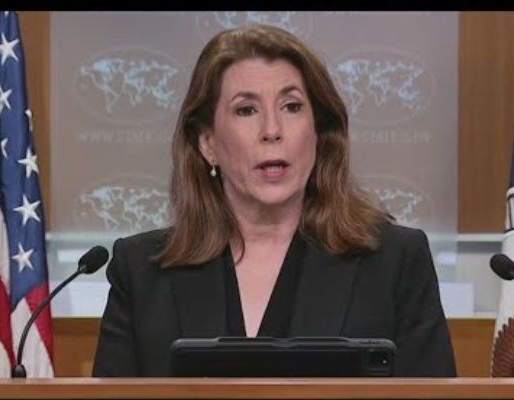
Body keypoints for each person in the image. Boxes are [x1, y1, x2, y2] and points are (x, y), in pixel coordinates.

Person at [91, 24, 457, 378]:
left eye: (291, 106)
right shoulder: (140, 271)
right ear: (208, 143)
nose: (272, 130)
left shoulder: (395, 262)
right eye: (246, 110)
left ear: (318, 133)